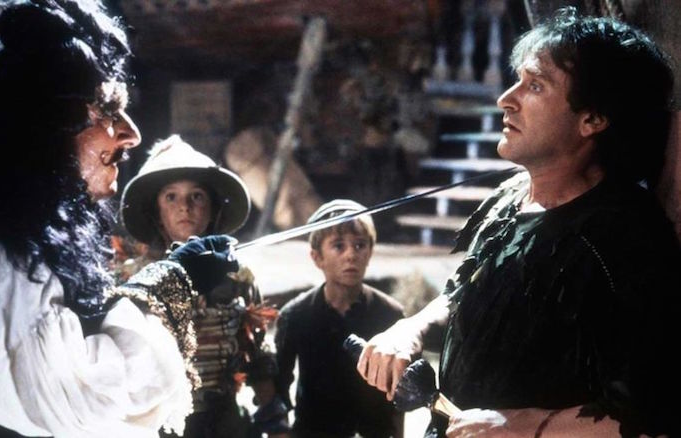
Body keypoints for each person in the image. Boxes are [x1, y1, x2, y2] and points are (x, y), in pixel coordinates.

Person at [356, 8, 680, 438]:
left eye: (536, 85)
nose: (506, 99)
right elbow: (463, 295)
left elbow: (652, 407)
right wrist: (410, 328)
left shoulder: (625, 236)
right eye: (518, 80)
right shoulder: (508, 198)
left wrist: (526, 427)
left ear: (593, 119)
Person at [0, 1, 238, 437]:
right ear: (45, 128)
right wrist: (163, 287)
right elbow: (81, 399)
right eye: (106, 111)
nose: (131, 134)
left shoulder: (21, 227)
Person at [119, 134, 283, 438]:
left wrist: (274, 420)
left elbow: (258, 353)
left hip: (223, 417)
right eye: (171, 197)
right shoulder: (134, 280)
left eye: (196, 196)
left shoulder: (237, 276)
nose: (184, 207)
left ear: (213, 209)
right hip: (158, 419)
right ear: (157, 213)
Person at [275, 199, 405, 438]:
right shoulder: (295, 315)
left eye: (360, 245)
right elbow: (278, 387)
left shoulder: (390, 314)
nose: (351, 255)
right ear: (317, 257)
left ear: (370, 252)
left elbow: (399, 394)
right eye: (338, 246)